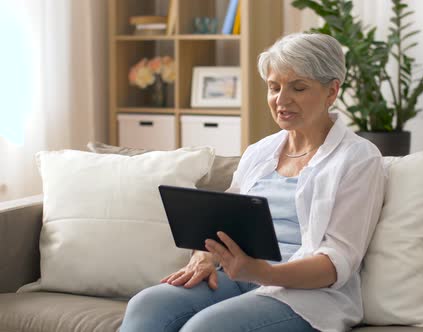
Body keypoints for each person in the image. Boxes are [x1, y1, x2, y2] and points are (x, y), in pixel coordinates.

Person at [119, 32, 386, 332]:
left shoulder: (358, 158)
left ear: (331, 91)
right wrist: (204, 257)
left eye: (298, 88)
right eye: (274, 87)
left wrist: (264, 273)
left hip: (307, 296)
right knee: (147, 305)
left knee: (205, 328)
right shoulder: (260, 152)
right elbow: (220, 222)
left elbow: (337, 263)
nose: (281, 100)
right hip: (240, 277)